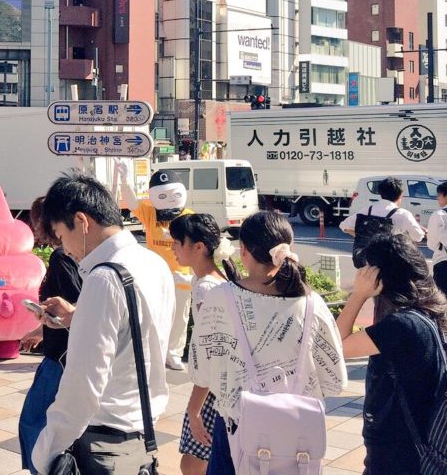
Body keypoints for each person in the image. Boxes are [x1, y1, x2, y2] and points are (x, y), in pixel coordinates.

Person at [31, 173, 174, 475]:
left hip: (102, 442)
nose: (64, 247)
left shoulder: (104, 278)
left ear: (82, 222)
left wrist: (45, 452)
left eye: (61, 235)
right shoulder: (153, 263)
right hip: (141, 437)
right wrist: (75, 319)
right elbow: (142, 340)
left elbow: (82, 387)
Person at [188, 211, 346, 475]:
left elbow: (200, 371)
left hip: (235, 430)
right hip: (297, 438)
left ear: (244, 251)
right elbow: (335, 382)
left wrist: (195, 409)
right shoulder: (311, 303)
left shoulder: (220, 299)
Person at [337, 232, 447, 474]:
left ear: (379, 276)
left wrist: (359, 295)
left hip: (398, 448)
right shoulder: (430, 310)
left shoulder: (402, 326)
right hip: (422, 441)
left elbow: (337, 346)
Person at [18, 196, 83, 474]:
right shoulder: (74, 256)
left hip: (60, 358)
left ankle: (43, 469)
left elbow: (75, 304)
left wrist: (47, 322)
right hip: (64, 351)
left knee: (35, 421)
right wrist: (40, 329)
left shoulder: (60, 257)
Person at [168, 213, 237, 475]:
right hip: (221, 387)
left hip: (213, 390)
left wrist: (194, 408)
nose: (172, 247)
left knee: (193, 464)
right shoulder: (213, 280)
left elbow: (213, 353)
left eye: (177, 242)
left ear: (199, 247)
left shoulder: (207, 287)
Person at [119, 163, 195, 370]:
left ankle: (174, 353)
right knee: (154, 314)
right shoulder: (150, 213)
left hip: (181, 275)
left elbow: (196, 242)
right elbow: (133, 203)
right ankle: (155, 352)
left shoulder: (187, 214)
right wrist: (125, 181)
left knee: (180, 315)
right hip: (154, 276)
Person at [340, 176, 425, 246]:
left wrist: (363, 237)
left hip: (368, 261)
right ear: (400, 195)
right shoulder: (404, 214)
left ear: (380, 193)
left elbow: (344, 226)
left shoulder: (367, 210)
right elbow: (418, 236)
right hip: (391, 261)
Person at [428, 182, 447, 296]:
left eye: (439, 195)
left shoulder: (439, 215)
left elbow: (432, 244)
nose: (437, 198)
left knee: (442, 300)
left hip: (443, 262)